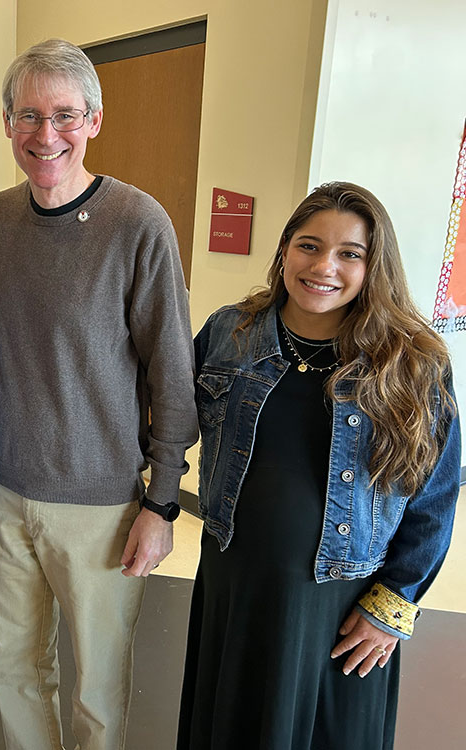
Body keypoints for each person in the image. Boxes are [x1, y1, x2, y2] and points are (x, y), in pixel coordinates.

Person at [0, 39, 198, 750]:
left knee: (97, 684)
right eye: (29, 116)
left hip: (102, 505)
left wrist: (162, 502)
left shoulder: (139, 224)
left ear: (94, 121)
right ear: (7, 123)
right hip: (5, 494)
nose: (46, 134)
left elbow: (173, 375)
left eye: (65, 115)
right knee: (15, 668)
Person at [179, 182, 460, 749]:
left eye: (349, 254)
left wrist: (394, 604)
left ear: (373, 267)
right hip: (236, 583)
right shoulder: (230, 332)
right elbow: (167, 420)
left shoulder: (411, 362)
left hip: (342, 602)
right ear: (285, 249)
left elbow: (435, 492)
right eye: (309, 245)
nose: (324, 266)